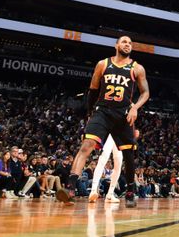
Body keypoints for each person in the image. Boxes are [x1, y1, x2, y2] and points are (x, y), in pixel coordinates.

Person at [57, 35, 149, 208]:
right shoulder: (103, 64)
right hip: (103, 112)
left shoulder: (137, 68)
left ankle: (130, 191)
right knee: (86, 146)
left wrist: (135, 107)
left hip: (124, 114)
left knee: (129, 155)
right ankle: (69, 188)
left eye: (130, 43)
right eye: (124, 42)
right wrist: (89, 111)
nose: (127, 45)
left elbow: (145, 93)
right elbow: (93, 89)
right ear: (116, 45)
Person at [89, 134, 122, 203]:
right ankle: (93, 191)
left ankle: (110, 194)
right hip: (108, 132)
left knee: (118, 164)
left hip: (119, 135)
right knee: (102, 160)